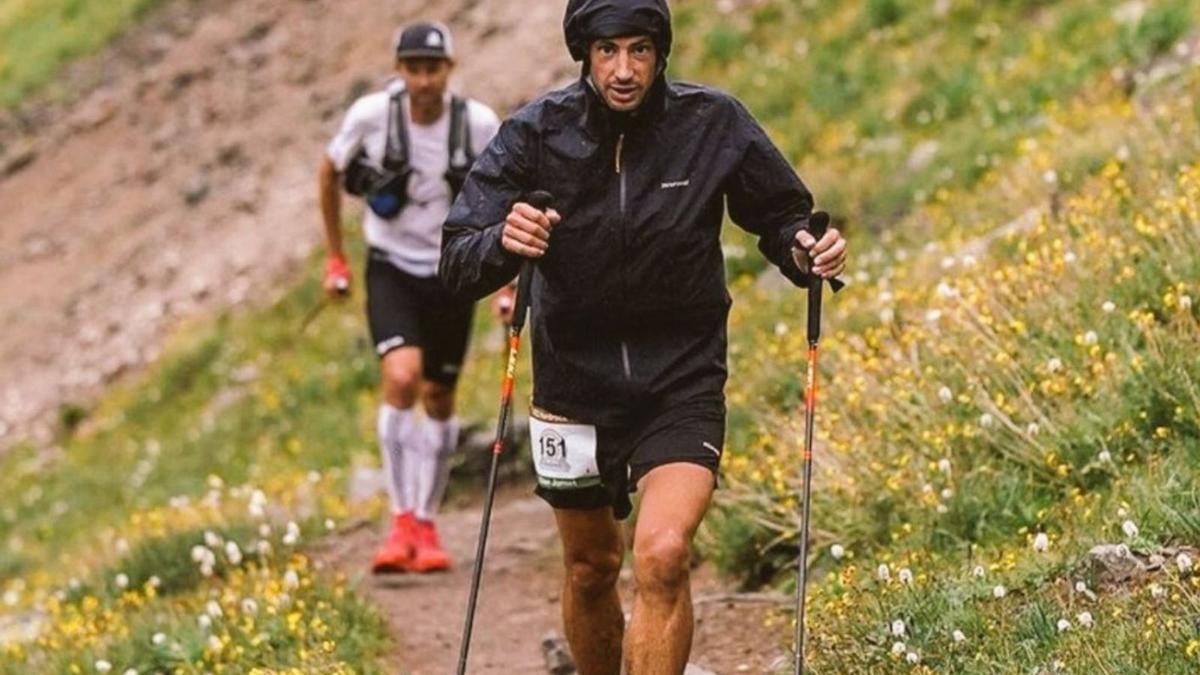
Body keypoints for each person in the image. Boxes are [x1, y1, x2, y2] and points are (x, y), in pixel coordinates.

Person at [441, 0, 849, 671]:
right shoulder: (536, 134)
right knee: (591, 567)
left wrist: (805, 249)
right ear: (584, 53)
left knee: (660, 555)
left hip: (680, 380)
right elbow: (456, 257)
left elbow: (782, 215)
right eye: (608, 51)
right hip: (572, 387)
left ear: (662, 52)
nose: (624, 69)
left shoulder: (713, 123)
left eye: (639, 49)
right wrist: (501, 241)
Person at [318, 21, 501, 574]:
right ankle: (399, 520)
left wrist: (506, 281)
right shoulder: (372, 117)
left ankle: (425, 519)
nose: (423, 80)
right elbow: (329, 173)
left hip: (452, 270)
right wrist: (336, 258)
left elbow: (506, 194)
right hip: (391, 265)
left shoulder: (478, 124)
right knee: (402, 377)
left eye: (433, 68)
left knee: (440, 398)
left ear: (449, 70)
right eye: (414, 68)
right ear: (399, 70)